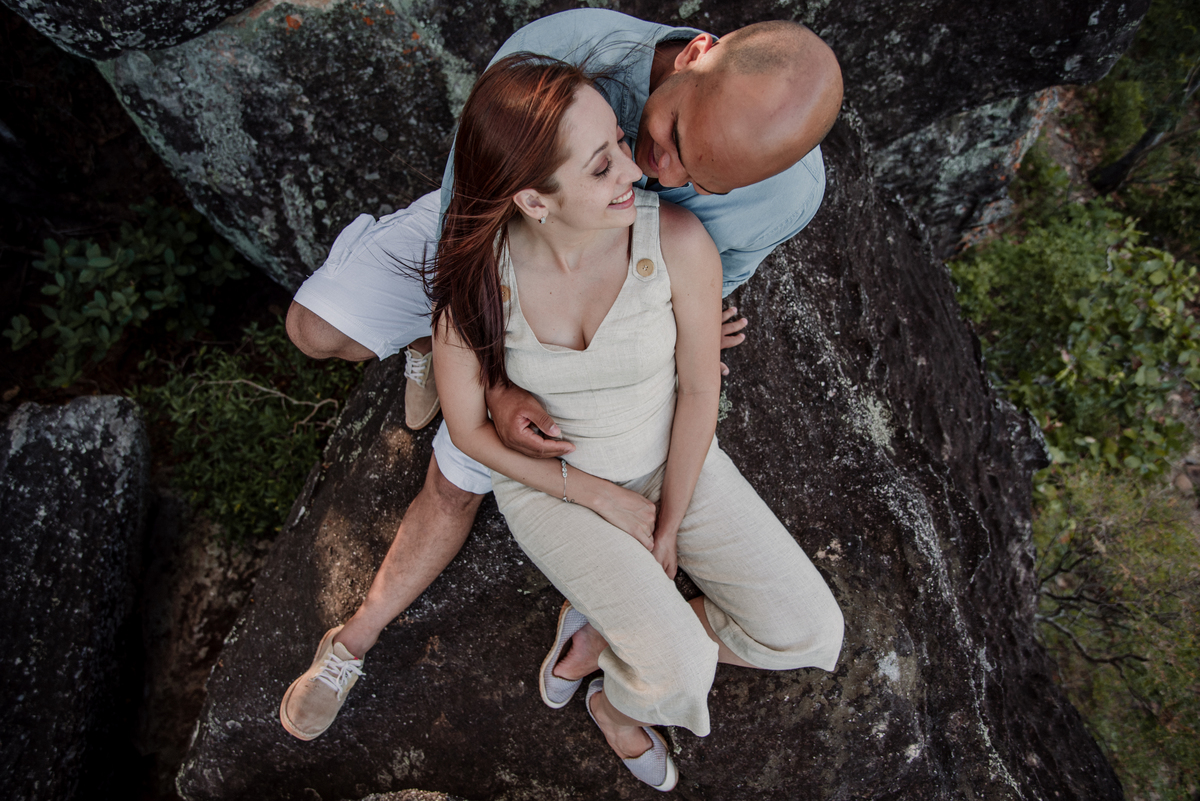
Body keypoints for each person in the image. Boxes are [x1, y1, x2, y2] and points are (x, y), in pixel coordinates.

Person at [280, 8, 843, 742]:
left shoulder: (782, 195)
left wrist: (692, 319)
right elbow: (466, 232)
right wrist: (492, 376)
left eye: (702, 180)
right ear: (695, 56)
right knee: (322, 341)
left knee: (459, 483)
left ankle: (364, 636)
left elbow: (715, 279)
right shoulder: (560, 57)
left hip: (613, 285)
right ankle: (355, 629)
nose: (659, 174)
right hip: (486, 243)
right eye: (667, 138)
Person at [430, 54, 843, 790]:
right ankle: (620, 706)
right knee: (680, 666)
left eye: (621, 143)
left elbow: (699, 390)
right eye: (601, 167)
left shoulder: (675, 240)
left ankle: (603, 650)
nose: (633, 171)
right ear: (533, 200)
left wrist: (667, 525)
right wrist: (597, 496)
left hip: (670, 459)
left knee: (809, 630)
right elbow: (469, 434)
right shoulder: (480, 282)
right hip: (556, 492)